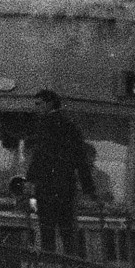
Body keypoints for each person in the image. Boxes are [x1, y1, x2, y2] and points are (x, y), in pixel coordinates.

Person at [24, 89, 96, 256]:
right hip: (66, 187)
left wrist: (30, 179)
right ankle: (72, 262)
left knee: (47, 232)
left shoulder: (45, 124)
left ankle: (49, 264)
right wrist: (88, 189)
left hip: (47, 187)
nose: (36, 108)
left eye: (39, 104)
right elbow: (81, 160)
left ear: (49, 103)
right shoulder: (71, 125)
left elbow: (41, 154)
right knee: (67, 231)